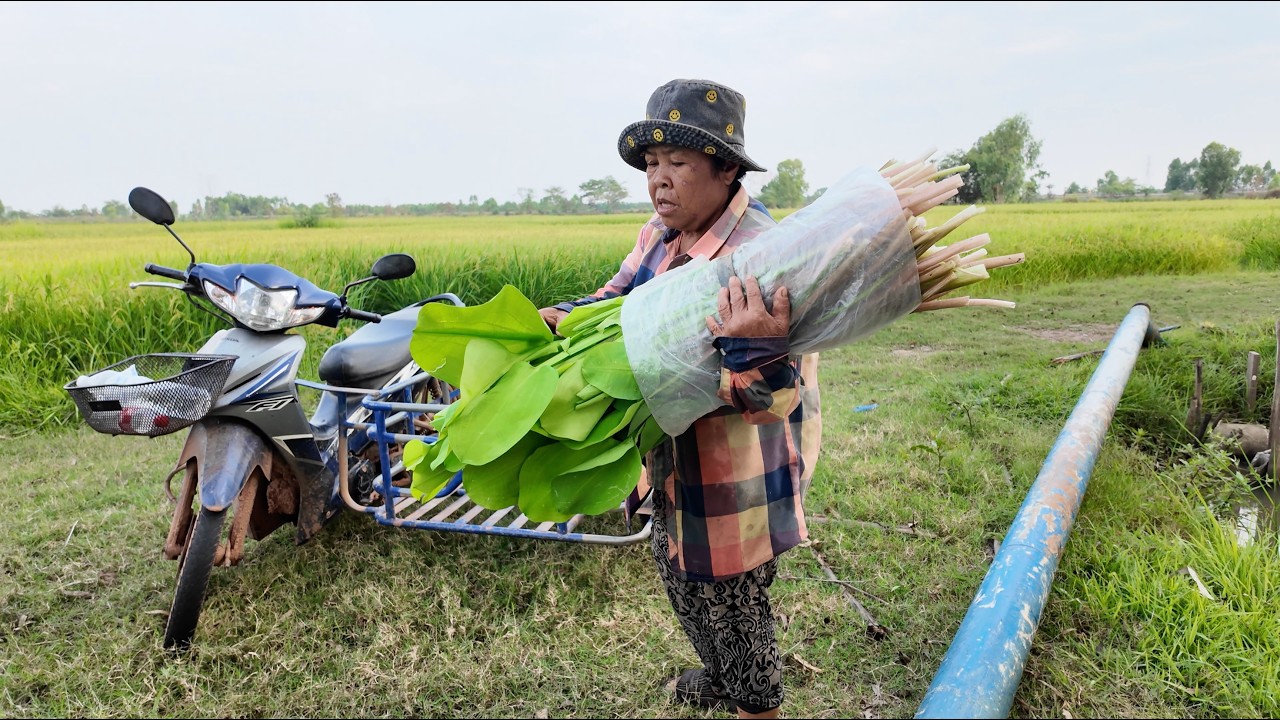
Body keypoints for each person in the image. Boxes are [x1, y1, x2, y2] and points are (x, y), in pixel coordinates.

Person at [538, 78, 821, 719]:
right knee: (682, 579)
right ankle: (719, 678)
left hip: (733, 472)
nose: (658, 181)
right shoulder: (659, 234)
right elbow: (617, 299)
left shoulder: (762, 256)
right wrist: (567, 317)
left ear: (724, 169)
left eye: (678, 164)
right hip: (667, 458)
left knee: (735, 603)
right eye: (652, 165)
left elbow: (777, 399)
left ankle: (756, 704)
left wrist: (756, 349)